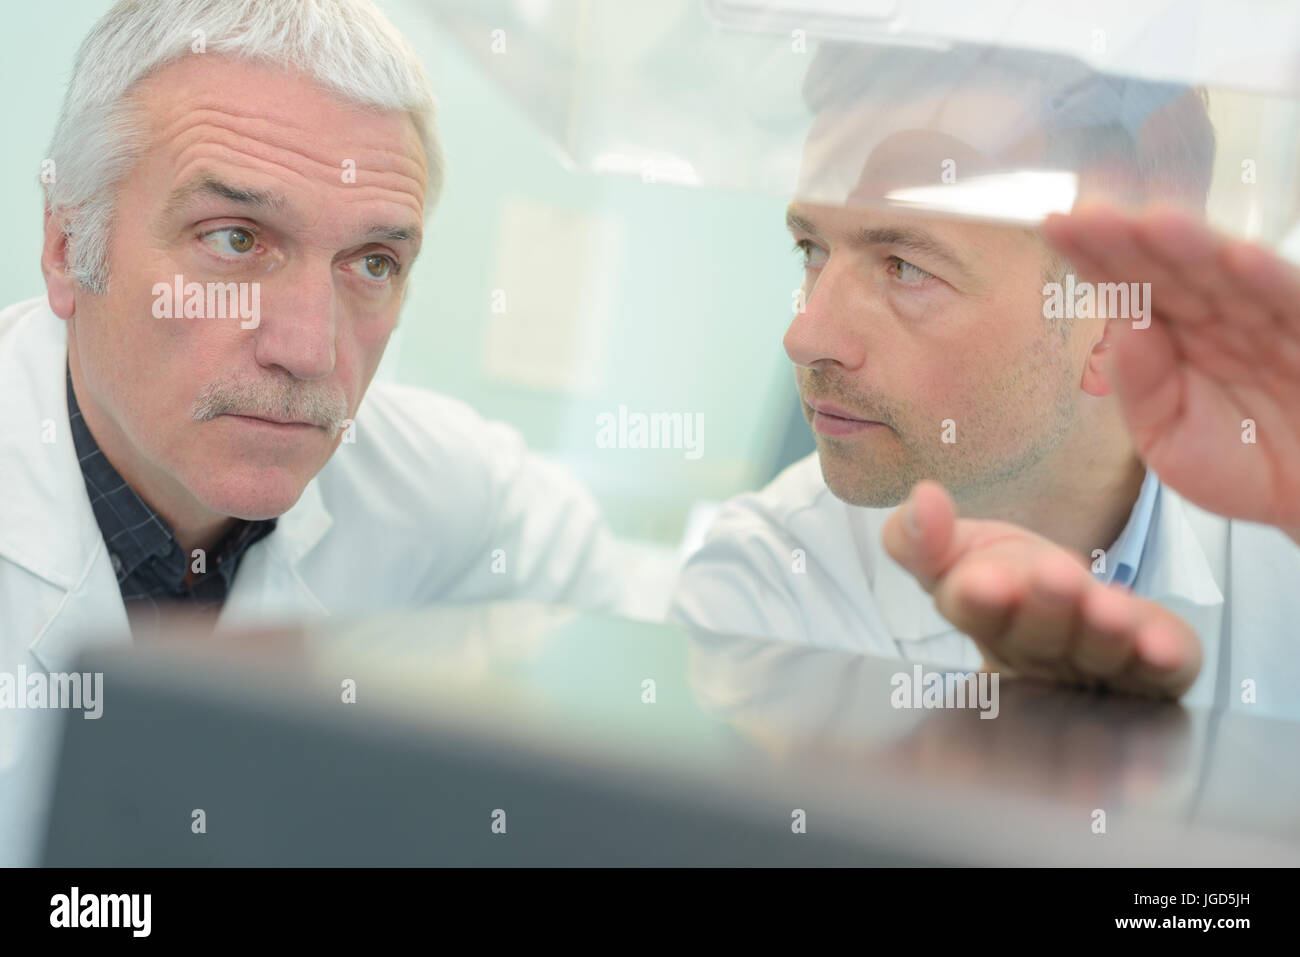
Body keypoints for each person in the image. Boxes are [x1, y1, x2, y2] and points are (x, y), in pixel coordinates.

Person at [0, 0, 625, 865]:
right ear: (69, 247)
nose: (309, 349)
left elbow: (604, 644)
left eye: (373, 263)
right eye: (235, 238)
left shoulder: (438, 489)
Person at [669, 43, 1300, 714]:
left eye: (905, 266)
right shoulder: (768, 587)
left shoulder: (1279, 519)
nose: (805, 336)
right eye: (812, 250)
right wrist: (1014, 730)